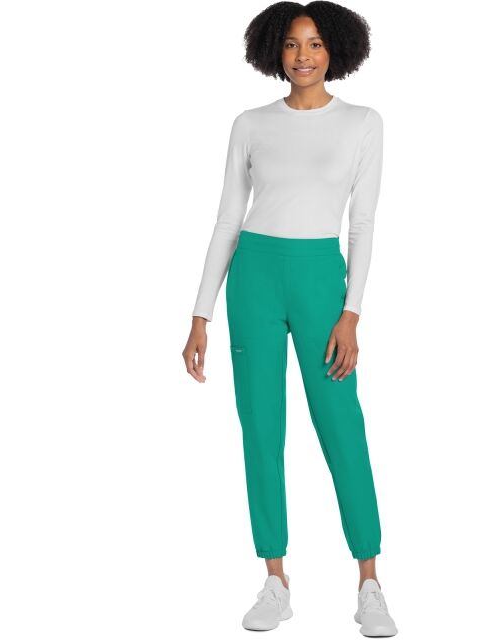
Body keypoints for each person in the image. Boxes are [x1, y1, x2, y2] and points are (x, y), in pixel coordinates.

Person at [183, 2, 398, 635]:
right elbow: (228, 218)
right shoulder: (250, 124)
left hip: (319, 279)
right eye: (292, 45)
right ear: (274, 50)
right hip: (253, 275)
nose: (303, 56)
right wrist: (200, 313)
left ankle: (369, 581)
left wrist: (351, 312)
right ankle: (275, 579)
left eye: (315, 44)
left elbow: (362, 223)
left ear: (336, 51)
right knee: (260, 427)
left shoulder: (362, 122)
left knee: (341, 425)